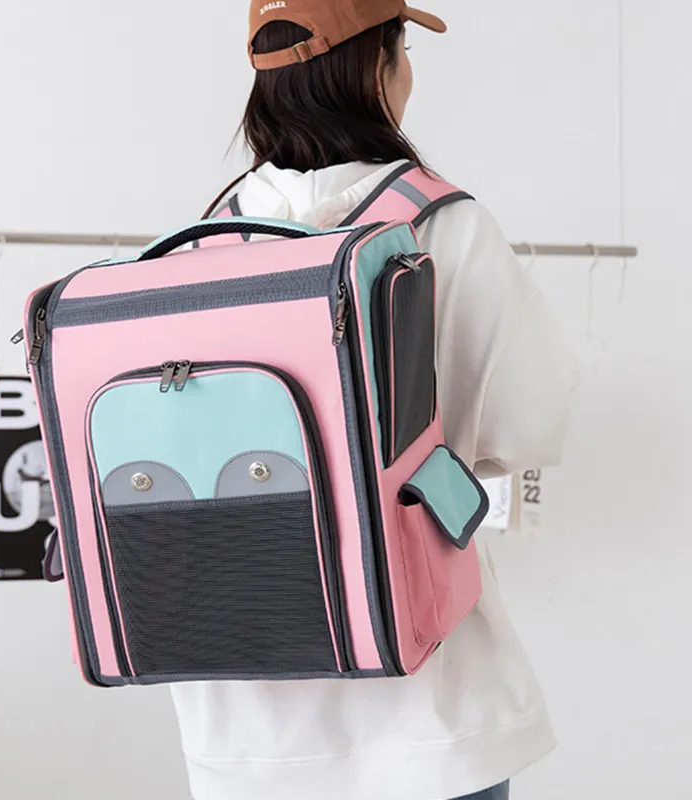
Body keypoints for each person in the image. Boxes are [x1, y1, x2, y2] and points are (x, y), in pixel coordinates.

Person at [170, 2, 579, 799]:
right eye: (402, 47)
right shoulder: (442, 224)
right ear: (376, 67)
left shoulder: (203, 242)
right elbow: (530, 425)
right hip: (428, 708)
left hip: (243, 721)